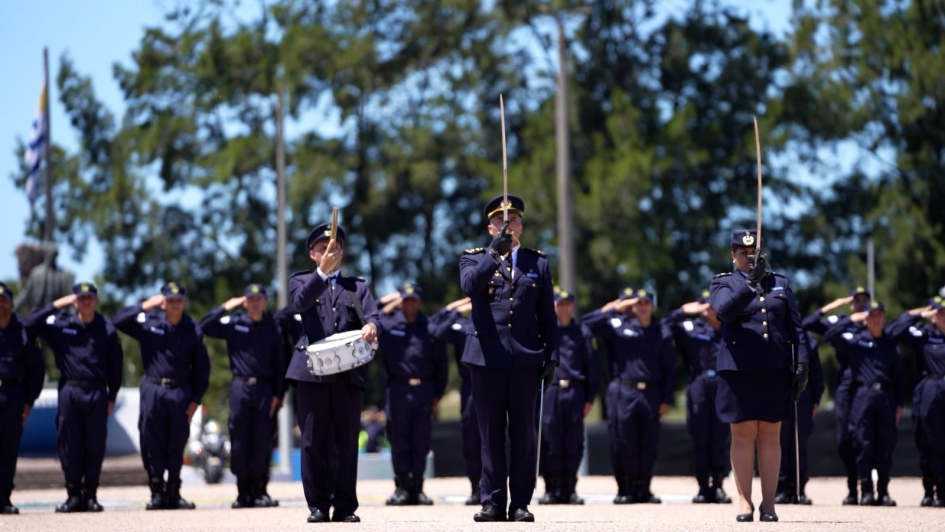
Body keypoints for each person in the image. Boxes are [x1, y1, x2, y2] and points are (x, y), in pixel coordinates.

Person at [459, 194, 559, 522]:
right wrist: (493, 254)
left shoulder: (538, 263)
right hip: (487, 357)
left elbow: (547, 316)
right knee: (489, 434)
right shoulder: (474, 259)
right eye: (501, 222)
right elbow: (471, 287)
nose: (508, 225)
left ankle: (520, 502)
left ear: (522, 225)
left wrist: (553, 355)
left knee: (523, 434)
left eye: (513, 220)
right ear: (491, 228)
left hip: (525, 359)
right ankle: (492, 500)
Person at [709, 229, 809, 523]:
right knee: (742, 434)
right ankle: (744, 501)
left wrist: (801, 363)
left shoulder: (780, 283)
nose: (749, 259)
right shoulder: (723, 282)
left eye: (754, 254)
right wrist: (749, 284)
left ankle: (769, 504)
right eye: (743, 254)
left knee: (769, 434)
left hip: (773, 369)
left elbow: (795, 328)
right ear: (733, 255)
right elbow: (724, 312)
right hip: (738, 370)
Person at [285, 222, 380, 524]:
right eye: (323, 249)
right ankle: (317, 504)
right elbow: (299, 304)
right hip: (312, 374)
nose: (330, 252)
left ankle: (344, 506)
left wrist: (372, 327)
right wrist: (322, 274)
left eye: (335, 248)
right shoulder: (301, 281)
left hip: (347, 374)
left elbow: (374, 316)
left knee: (345, 442)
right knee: (313, 441)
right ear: (312, 254)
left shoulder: (357, 287)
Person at [24, 283, 123, 513]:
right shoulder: (61, 324)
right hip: (70, 390)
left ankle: (90, 495)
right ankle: (73, 496)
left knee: (94, 445)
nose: (86, 302)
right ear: (75, 300)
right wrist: (58, 303)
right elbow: (30, 323)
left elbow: (115, 366)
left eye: (90, 298)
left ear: (96, 301)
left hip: (97, 392)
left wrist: (112, 397)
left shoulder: (106, 328)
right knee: (69, 445)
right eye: (81, 298)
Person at [112, 282, 210, 510]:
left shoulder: (192, 329)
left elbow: (202, 369)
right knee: (151, 441)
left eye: (178, 301)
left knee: (177, 442)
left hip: (180, 392)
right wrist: (146, 305)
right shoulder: (149, 322)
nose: (174, 304)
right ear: (163, 301)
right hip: (153, 389)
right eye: (169, 300)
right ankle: (157, 492)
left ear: (184, 303)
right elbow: (116, 321)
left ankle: (174, 492)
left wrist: (195, 399)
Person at [583, 288, 676, 505]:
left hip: (652, 393)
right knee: (623, 440)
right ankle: (625, 488)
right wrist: (615, 307)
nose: (642, 306)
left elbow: (670, 369)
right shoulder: (617, 326)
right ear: (631, 306)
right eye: (638, 303)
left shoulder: (661, 331)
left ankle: (644, 488)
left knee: (649, 443)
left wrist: (665, 399)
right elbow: (586, 324)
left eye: (646, 302)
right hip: (623, 391)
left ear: (652, 306)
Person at [199, 284, 284, 509]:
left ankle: (259, 491)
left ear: (265, 301)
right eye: (250, 299)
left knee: (262, 442)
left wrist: (278, 394)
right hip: (240, 388)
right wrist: (228, 305)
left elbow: (280, 364)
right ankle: (242, 492)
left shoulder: (273, 328)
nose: (255, 302)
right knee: (239, 441)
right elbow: (204, 326)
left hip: (265, 389)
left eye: (259, 298)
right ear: (245, 302)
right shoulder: (235, 324)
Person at [824, 300, 904, 506]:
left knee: (885, 443)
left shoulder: (891, 343)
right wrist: (851, 319)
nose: (876, 319)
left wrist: (899, 403)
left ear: (884, 317)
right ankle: (866, 490)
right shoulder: (856, 342)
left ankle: (884, 491)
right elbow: (830, 336)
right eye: (871, 315)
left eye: (879, 315)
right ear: (865, 318)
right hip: (862, 395)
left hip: (886, 395)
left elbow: (899, 377)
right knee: (863, 442)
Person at [378, 282, 447, 506]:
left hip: (425, 390)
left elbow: (441, 365)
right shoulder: (389, 326)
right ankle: (401, 487)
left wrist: (437, 395)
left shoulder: (429, 327)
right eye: (405, 300)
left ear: (420, 302)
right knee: (399, 440)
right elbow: (373, 317)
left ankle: (417, 488)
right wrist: (393, 299)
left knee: (421, 441)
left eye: (413, 300)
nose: (409, 304)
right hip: (397, 389)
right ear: (400, 303)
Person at [800, 287, 871, 504]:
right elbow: (808, 324)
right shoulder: (842, 321)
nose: (861, 305)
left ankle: (869, 489)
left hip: (867, 384)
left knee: (865, 437)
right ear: (851, 304)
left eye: (864, 301)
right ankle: (852, 488)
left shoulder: (875, 323)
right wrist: (834, 306)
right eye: (856, 301)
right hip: (846, 383)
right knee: (845, 439)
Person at [662, 289, 731, 504]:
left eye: (711, 304)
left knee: (720, 437)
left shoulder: (730, 328)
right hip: (699, 384)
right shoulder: (690, 328)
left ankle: (718, 485)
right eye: (704, 305)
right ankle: (703, 487)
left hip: (723, 383)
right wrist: (683, 310)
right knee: (700, 436)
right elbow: (664, 325)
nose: (708, 308)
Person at [537, 289, 599, 505]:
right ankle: (551, 488)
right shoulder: (544, 330)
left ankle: (569, 488)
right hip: (551, 391)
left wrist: (590, 398)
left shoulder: (582, 332)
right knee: (550, 441)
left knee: (573, 442)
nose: (563, 307)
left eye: (567, 304)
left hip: (575, 391)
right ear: (553, 306)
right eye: (559, 304)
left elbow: (592, 366)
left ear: (573, 306)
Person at [888, 297, 945, 507]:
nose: (943, 316)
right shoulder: (924, 335)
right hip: (930, 391)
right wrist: (918, 314)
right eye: (939, 312)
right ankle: (931, 489)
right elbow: (894, 331)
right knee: (929, 441)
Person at [0, 282, 45, 514]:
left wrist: (28, 401)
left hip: (13, 395)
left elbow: (36, 369)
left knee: (9, 448)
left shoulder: (23, 330)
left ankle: (4, 498)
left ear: (11, 303)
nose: (0, 304)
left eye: (4, 300)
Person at [429, 297, 479, 504]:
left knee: (494, 438)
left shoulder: (498, 319)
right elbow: (435, 330)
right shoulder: (461, 325)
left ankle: (494, 486)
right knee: (471, 439)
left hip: (494, 385)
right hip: (470, 387)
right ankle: (477, 487)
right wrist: (457, 307)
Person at [775, 321, 824, 504]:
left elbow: (816, 374)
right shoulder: (777, 336)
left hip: (804, 397)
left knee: (799, 444)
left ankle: (799, 488)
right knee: (780, 443)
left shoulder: (809, 341)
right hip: (780, 394)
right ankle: (780, 487)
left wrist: (817, 399)